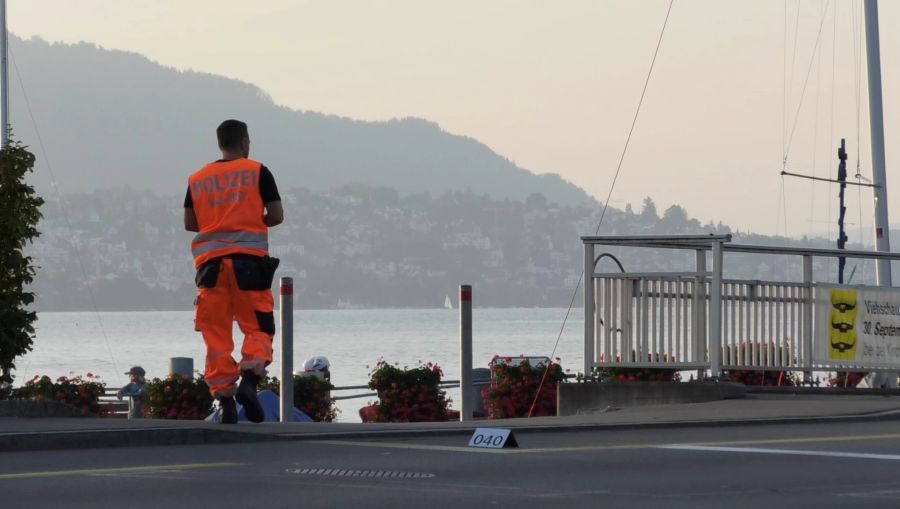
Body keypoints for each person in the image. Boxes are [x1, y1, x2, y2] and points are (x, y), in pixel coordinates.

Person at [184, 119, 284, 424]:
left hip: (210, 269)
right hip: (249, 266)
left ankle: (226, 403)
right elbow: (276, 215)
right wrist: (250, 219)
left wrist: (218, 223)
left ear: (220, 144)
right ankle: (249, 383)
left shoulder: (197, 178)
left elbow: (190, 223)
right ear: (244, 143)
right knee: (258, 328)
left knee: (216, 337)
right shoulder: (257, 171)